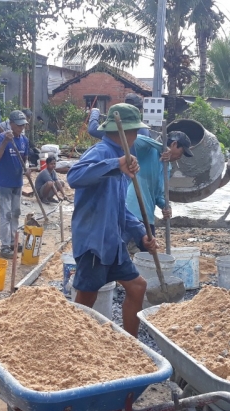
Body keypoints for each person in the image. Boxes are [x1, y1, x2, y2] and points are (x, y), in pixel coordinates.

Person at [67, 103, 158, 337]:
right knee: (86, 298)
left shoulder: (123, 159)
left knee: (138, 287)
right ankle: (73, 343)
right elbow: (74, 176)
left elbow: (121, 209)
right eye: (135, 132)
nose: (137, 137)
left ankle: (130, 344)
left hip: (113, 243)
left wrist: (141, 234)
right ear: (123, 132)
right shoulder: (101, 153)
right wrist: (115, 165)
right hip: (94, 242)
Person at [126, 130, 193, 237]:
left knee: (148, 251)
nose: (181, 156)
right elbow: (134, 139)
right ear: (174, 144)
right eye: (182, 152)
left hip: (147, 217)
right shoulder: (149, 150)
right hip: (129, 213)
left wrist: (165, 206)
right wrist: (161, 147)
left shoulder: (168, 168)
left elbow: (158, 195)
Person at [0, 110, 31, 258]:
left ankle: (13, 241)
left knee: (16, 213)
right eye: (19, 126)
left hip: (17, 182)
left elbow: (25, 158)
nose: (21, 128)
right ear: (11, 124)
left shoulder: (24, 140)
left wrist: (26, 169)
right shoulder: (1, 137)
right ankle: (4, 246)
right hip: (4, 183)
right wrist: (5, 142)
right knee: (6, 214)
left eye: (23, 126)